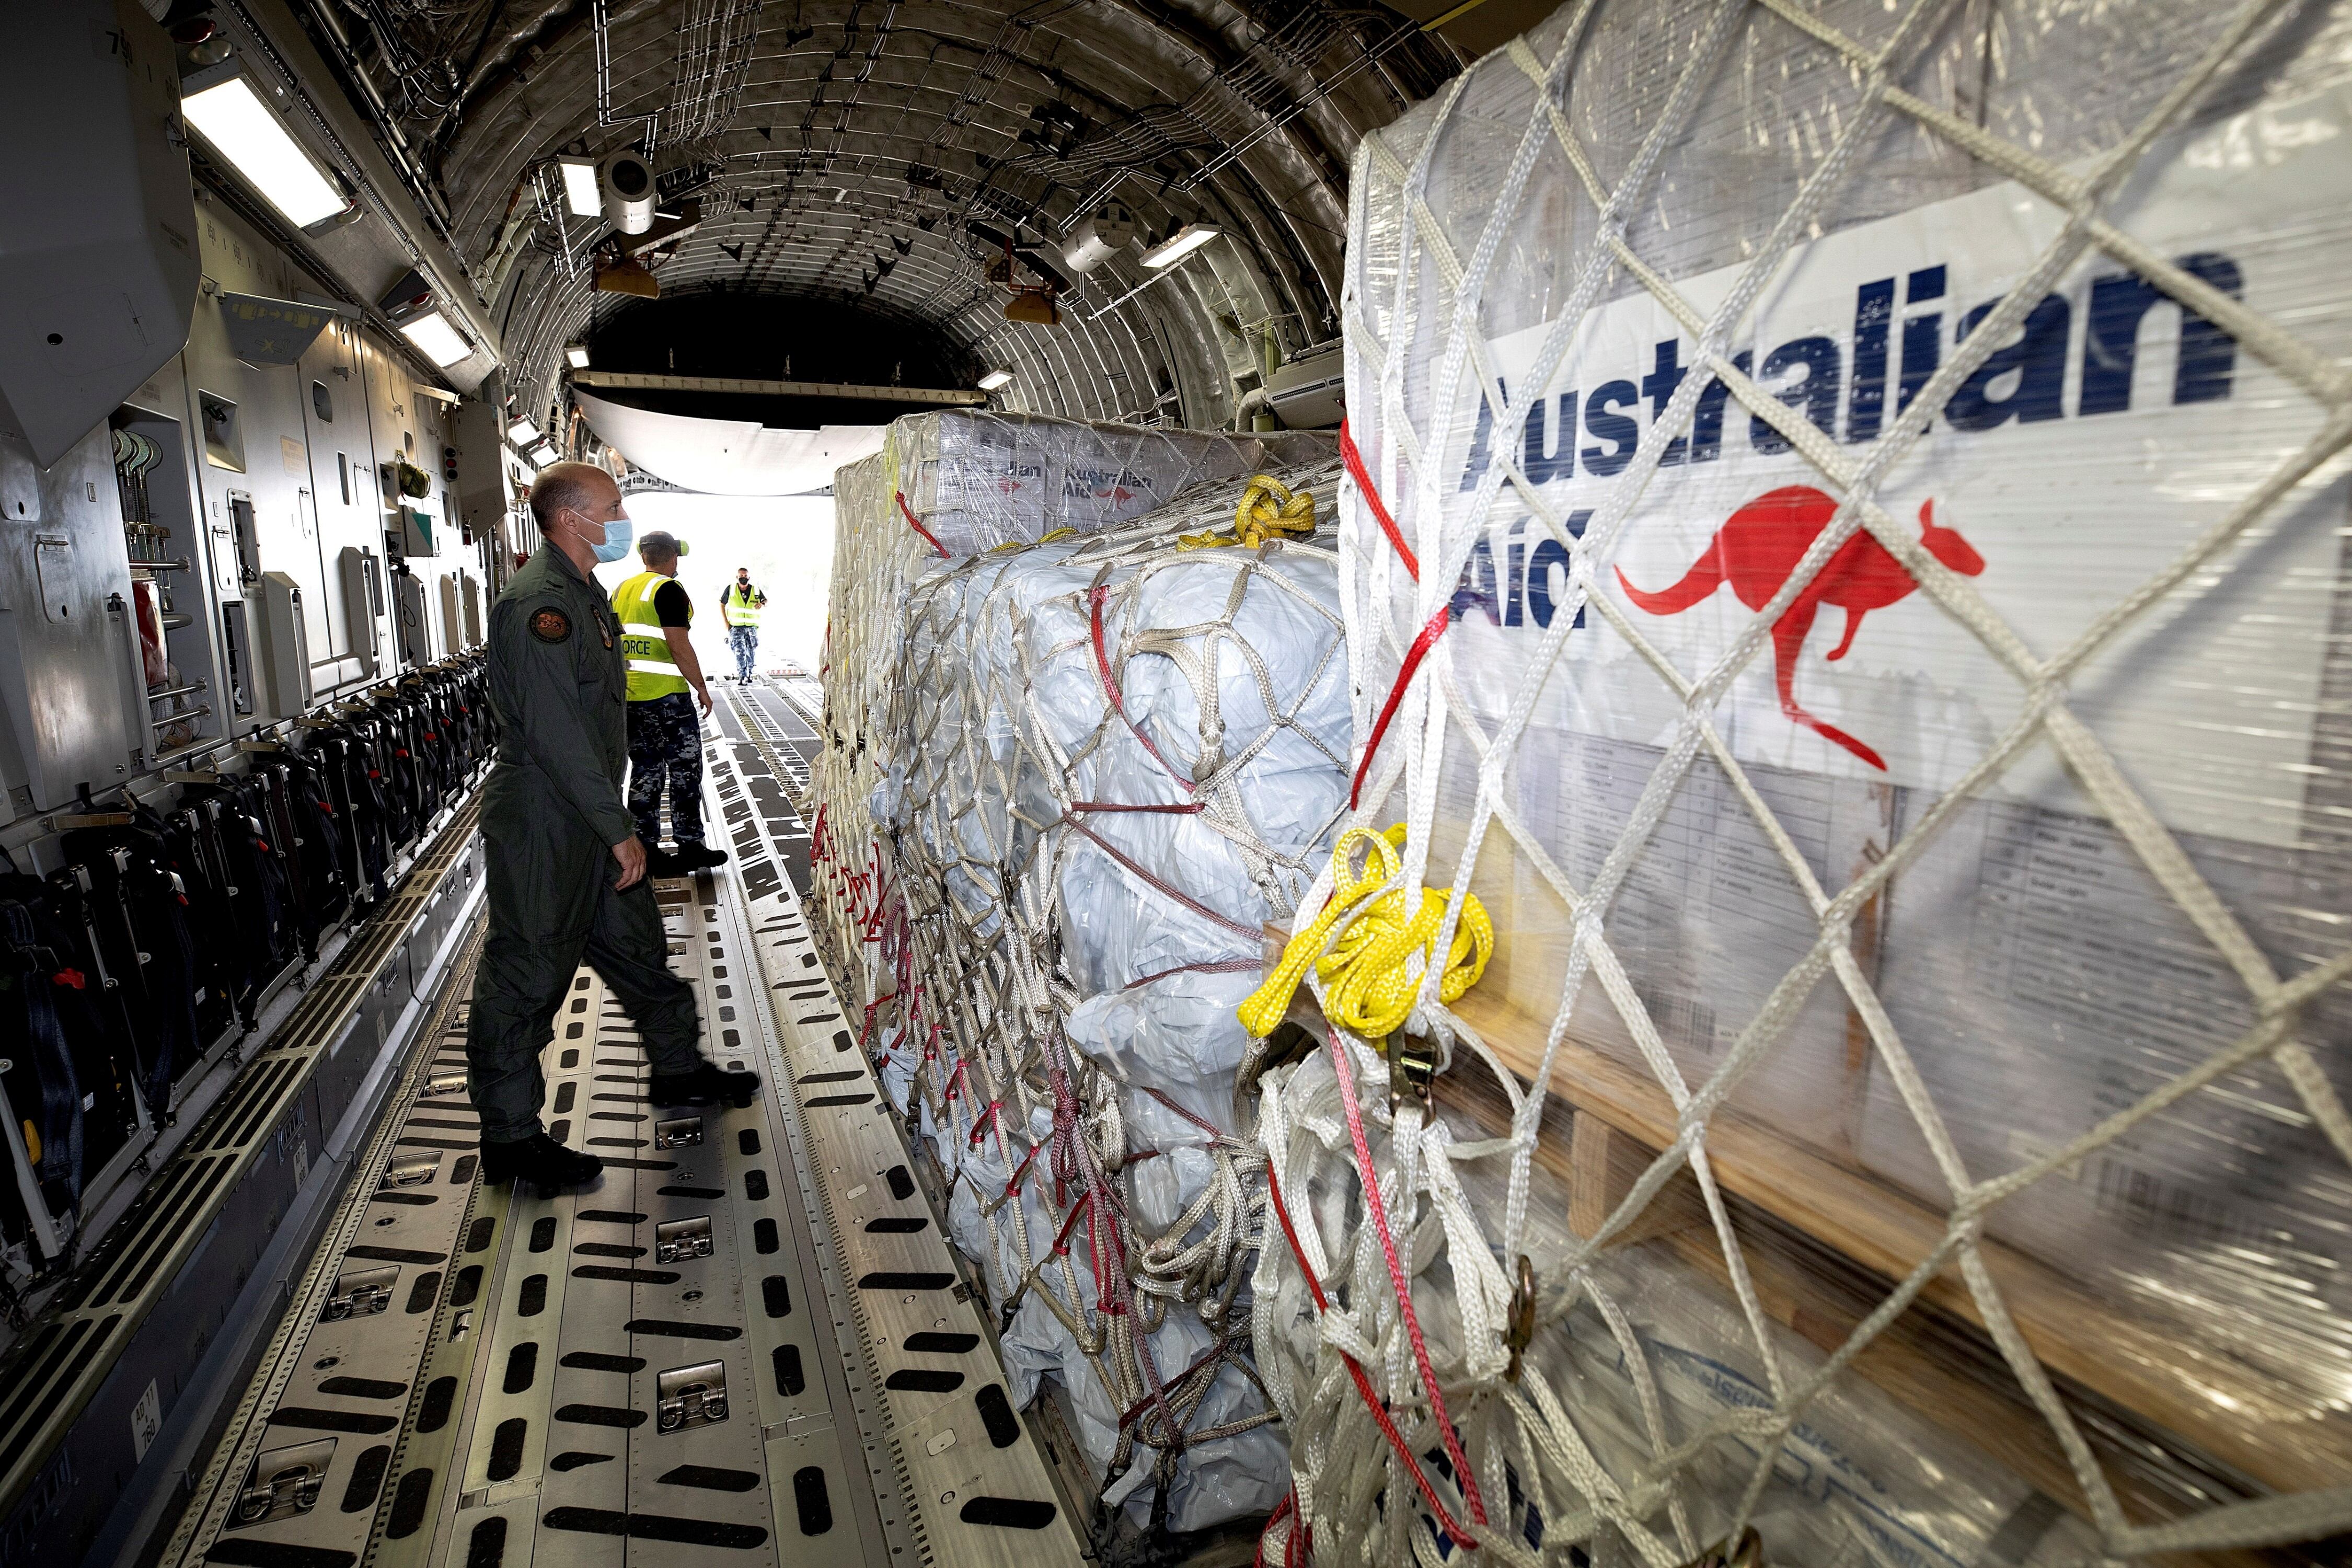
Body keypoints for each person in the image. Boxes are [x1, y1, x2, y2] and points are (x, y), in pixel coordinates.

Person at [469, 462, 756, 1192]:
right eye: (613, 506)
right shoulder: (541, 607)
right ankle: (510, 1141)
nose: (622, 517)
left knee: (637, 947)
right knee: (528, 974)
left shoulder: (586, 595)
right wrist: (616, 826)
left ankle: (679, 1071)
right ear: (572, 519)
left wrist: (612, 822)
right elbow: (558, 732)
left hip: (590, 812)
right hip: (548, 820)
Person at [613, 531, 727, 875]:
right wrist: (702, 688)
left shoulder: (621, 591)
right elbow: (679, 646)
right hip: (667, 698)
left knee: (645, 773)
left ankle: (647, 851)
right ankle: (690, 845)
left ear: (643, 556)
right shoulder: (668, 589)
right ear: (673, 558)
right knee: (685, 771)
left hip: (632, 698)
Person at [721, 567, 767, 682]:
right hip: (736, 627)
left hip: (751, 628)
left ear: (749, 578)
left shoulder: (755, 590)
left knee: (751, 651)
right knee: (740, 651)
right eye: (741, 576)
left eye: (745, 576)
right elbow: (722, 605)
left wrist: (762, 604)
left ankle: (750, 673)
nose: (743, 578)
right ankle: (743, 675)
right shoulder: (731, 590)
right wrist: (726, 624)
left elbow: (765, 601)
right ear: (737, 577)